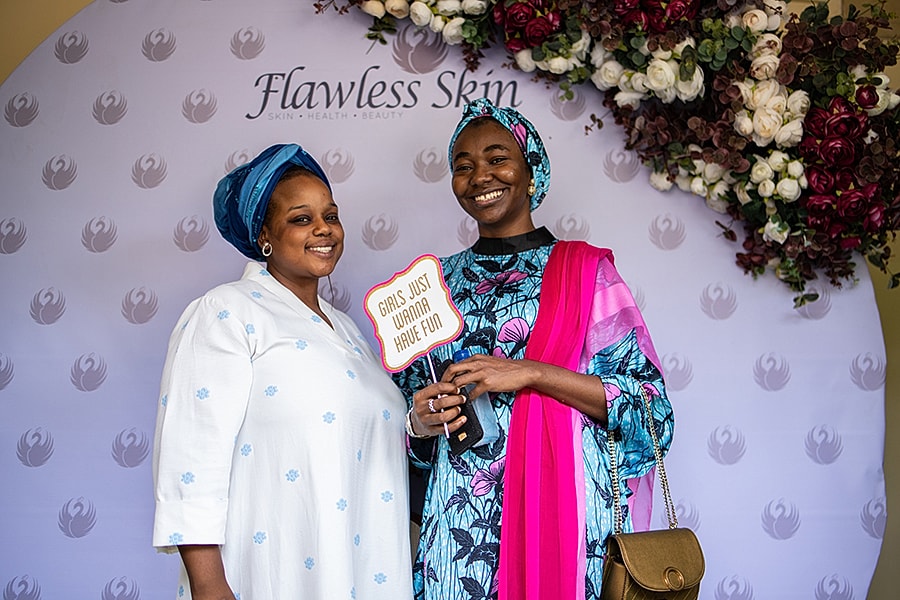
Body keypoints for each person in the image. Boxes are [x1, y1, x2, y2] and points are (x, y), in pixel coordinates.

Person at [396, 98, 675, 599]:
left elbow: (652, 414)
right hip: (459, 523)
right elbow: (406, 436)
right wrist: (418, 422)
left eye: (497, 158)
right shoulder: (433, 284)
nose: (480, 175)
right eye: (463, 166)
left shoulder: (587, 274)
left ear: (531, 172)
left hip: (564, 515)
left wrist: (530, 373)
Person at [151, 144, 413, 600]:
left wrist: (419, 421)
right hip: (274, 571)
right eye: (301, 219)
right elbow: (191, 456)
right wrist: (209, 585)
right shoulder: (226, 311)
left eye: (330, 216)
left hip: (363, 569)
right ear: (265, 235)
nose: (324, 230)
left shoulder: (349, 330)